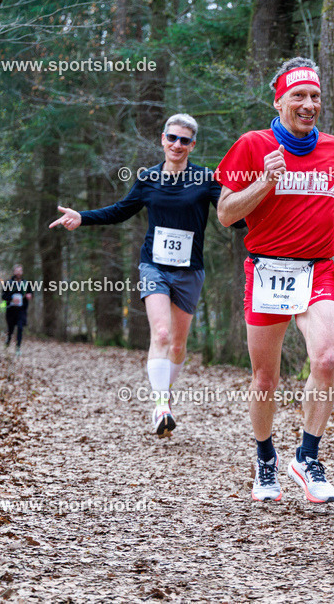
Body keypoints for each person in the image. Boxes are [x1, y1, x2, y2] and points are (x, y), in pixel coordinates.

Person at [216, 57, 334, 503]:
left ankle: (307, 456)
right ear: (279, 99)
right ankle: (265, 460)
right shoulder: (252, 144)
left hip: (317, 267)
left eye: (315, 96)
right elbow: (226, 214)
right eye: (298, 96)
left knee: (325, 359)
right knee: (265, 377)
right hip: (266, 269)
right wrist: (264, 181)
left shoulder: (333, 147)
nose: (308, 104)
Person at [50, 113, 240, 436]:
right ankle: (161, 406)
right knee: (162, 334)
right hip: (153, 265)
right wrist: (82, 216)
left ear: (192, 145)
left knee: (178, 345)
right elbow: (121, 210)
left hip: (189, 271)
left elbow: (232, 218)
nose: (177, 144)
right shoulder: (148, 179)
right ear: (162, 140)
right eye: (172, 138)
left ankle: (162, 396)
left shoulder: (207, 179)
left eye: (184, 140)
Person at [2, 264, 33, 355]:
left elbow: (30, 293)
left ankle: (18, 347)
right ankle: (8, 341)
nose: (19, 272)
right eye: (17, 271)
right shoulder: (8, 283)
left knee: (20, 328)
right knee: (10, 329)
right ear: (14, 272)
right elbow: (3, 296)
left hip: (21, 310)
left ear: (22, 272)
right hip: (11, 310)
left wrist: (29, 296)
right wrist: (11, 298)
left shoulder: (26, 283)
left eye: (20, 271)